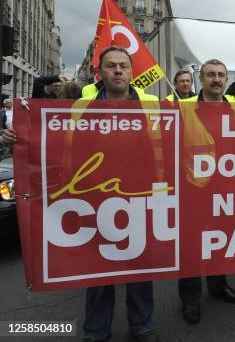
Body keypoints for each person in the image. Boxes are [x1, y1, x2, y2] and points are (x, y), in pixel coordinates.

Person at [3, 46, 161, 342]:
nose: (118, 71)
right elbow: (54, 142)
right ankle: (96, 330)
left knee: (140, 266)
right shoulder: (80, 106)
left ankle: (143, 325)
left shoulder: (153, 104)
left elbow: (189, 131)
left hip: (142, 197)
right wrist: (17, 136)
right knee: (98, 268)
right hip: (95, 197)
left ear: (131, 71)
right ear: (99, 72)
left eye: (123, 66)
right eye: (111, 66)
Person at [178, 59, 235, 325]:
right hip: (195, 187)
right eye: (210, 75)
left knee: (221, 239)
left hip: (230, 187)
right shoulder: (184, 108)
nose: (216, 79)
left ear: (226, 78)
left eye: (220, 75)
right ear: (201, 80)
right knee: (193, 245)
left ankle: (218, 286)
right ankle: (190, 297)